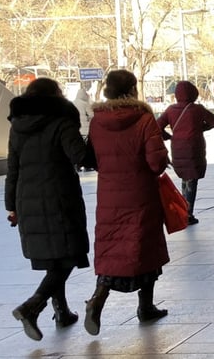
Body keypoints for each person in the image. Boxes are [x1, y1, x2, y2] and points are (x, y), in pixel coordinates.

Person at [85, 70, 171, 336]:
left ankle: (97, 300)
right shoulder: (144, 118)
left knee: (113, 248)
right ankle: (146, 307)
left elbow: (91, 158)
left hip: (109, 195)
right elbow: (156, 162)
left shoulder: (97, 121)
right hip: (140, 195)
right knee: (144, 247)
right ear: (133, 89)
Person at [5, 78, 89, 341]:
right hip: (59, 197)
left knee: (54, 257)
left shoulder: (18, 126)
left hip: (25, 199)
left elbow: (12, 169)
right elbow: (81, 157)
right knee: (68, 255)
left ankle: (61, 310)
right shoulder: (61, 120)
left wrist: (11, 207)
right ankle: (33, 306)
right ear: (56, 96)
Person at [158, 81, 214, 226]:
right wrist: (200, 128)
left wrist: (169, 136)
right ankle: (187, 213)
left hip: (177, 147)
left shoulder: (170, 110)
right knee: (191, 180)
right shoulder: (197, 109)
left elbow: (157, 126)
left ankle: (184, 210)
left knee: (185, 179)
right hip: (193, 148)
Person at [72, 86, 94, 171]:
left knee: (78, 148)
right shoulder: (85, 104)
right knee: (86, 148)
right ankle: (87, 165)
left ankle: (77, 165)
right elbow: (91, 115)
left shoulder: (73, 103)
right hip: (85, 129)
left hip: (76, 129)